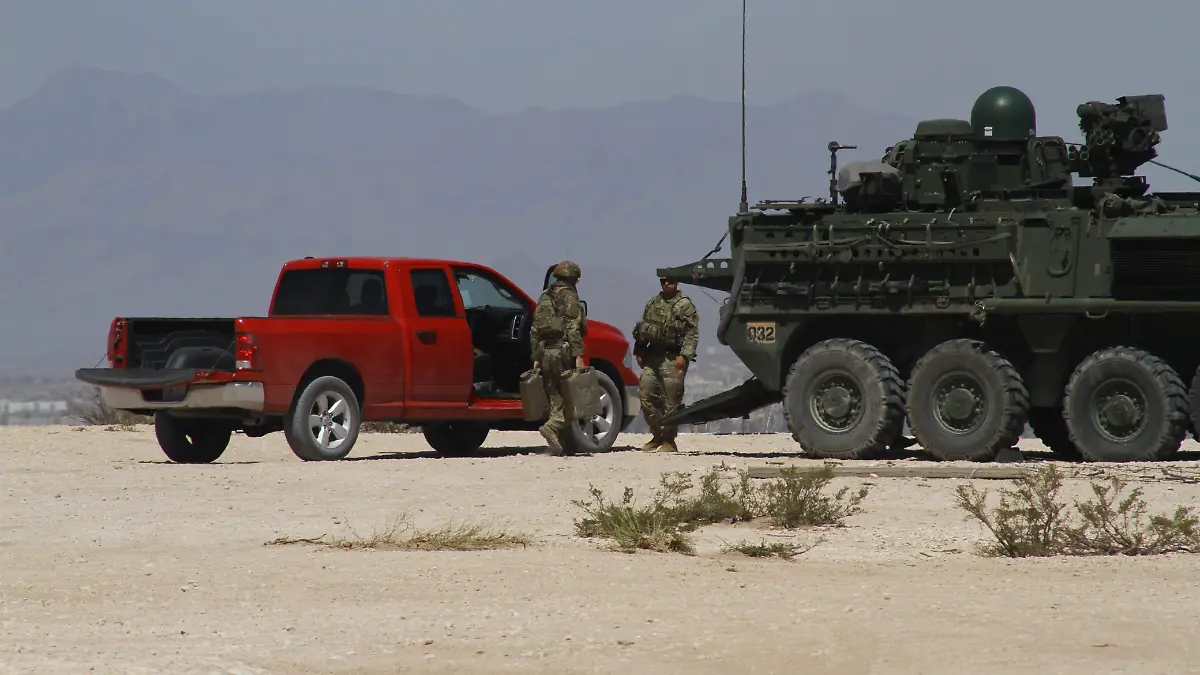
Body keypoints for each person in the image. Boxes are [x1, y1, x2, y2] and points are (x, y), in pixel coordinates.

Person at [633, 275, 699, 452]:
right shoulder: (654, 302)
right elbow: (644, 329)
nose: (666, 284)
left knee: (671, 402)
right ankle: (657, 435)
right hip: (653, 356)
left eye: (669, 281)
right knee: (646, 395)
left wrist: (684, 356)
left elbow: (692, 333)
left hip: (672, 358)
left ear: (676, 282)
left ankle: (669, 440)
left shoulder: (685, 305)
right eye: (663, 281)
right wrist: (639, 350)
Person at [529, 260, 586, 455]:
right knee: (570, 397)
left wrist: (536, 356)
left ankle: (560, 445)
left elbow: (535, 329)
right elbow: (573, 326)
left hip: (546, 352)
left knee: (555, 396)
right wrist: (579, 355)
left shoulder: (544, 297)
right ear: (572, 278)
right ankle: (553, 426)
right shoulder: (570, 296)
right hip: (563, 351)